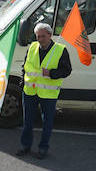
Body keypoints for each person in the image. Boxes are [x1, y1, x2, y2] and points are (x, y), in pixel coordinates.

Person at [16, 23, 71, 161]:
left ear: (50, 35)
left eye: (43, 36)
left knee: (47, 122)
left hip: (48, 94)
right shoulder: (32, 47)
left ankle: (43, 148)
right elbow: (25, 66)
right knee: (27, 121)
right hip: (30, 91)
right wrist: (23, 83)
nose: (40, 39)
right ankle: (25, 146)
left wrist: (51, 73)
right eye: (38, 36)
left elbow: (67, 70)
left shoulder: (61, 49)